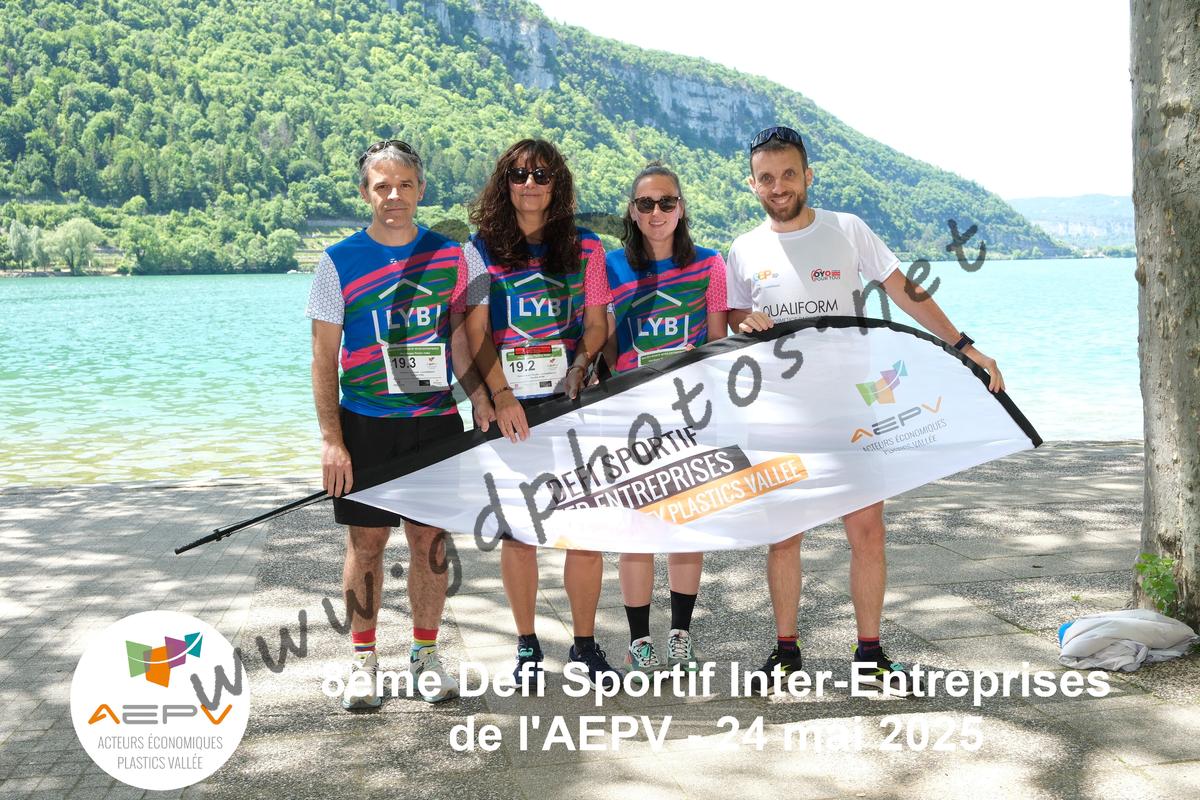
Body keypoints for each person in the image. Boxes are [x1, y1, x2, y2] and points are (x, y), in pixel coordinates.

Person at [726, 126, 1005, 691]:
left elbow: (906, 291)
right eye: (766, 178)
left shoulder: (847, 229)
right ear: (752, 184)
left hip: (851, 409)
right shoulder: (743, 249)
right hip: (779, 413)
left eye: (788, 174)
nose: (778, 186)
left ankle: (870, 655)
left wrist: (963, 346)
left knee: (868, 532)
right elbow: (732, 317)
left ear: (808, 176)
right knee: (784, 537)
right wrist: (741, 321)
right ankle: (786, 653)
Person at [307, 140, 494, 709]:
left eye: (405, 185)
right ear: (365, 192)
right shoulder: (336, 262)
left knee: (430, 542)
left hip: (435, 423)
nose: (394, 196)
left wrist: (482, 398)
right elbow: (323, 358)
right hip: (364, 423)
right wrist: (332, 440)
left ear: (421, 189)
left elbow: (464, 340)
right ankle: (364, 662)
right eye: (382, 186)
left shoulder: (459, 257)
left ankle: (425, 657)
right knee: (365, 545)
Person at [463, 138, 622, 688]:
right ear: (504, 183)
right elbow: (476, 333)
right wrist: (501, 395)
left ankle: (585, 646)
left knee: (585, 530)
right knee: (518, 533)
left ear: (558, 184)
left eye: (542, 175)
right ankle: (527, 646)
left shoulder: (588, 247)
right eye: (519, 174)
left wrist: (579, 367)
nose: (530, 184)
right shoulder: (478, 249)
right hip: (512, 409)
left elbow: (597, 324)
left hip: (574, 403)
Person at [603, 162, 729, 672]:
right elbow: (601, 341)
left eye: (667, 202)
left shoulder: (711, 264)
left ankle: (680, 634)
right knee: (635, 530)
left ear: (681, 208)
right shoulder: (608, 266)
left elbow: (718, 343)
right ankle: (639, 641)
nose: (657, 212)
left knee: (685, 527)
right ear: (633, 212)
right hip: (629, 417)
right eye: (646, 204)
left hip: (689, 417)